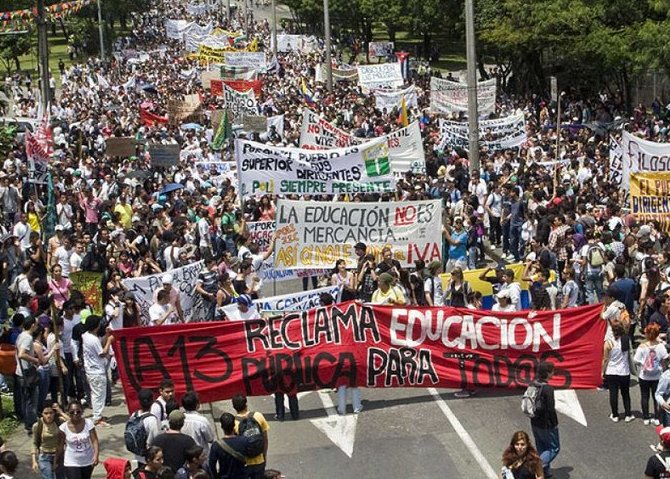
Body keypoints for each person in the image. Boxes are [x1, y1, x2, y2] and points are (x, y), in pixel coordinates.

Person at [81, 315, 114, 428]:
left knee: (96, 394)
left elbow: (99, 343)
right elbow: (102, 353)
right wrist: (109, 341)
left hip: (91, 370)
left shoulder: (86, 335)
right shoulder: (93, 339)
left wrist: (106, 335)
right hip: (96, 371)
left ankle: (97, 415)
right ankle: (97, 417)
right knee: (99, 395)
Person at [530, 362, 559, 478]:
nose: (553, 373)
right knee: (554, 448)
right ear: (547, 373)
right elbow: (551, 409)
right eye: (552, 371)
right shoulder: (548, 389)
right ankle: (535, 467)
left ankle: (545, 472)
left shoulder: (533, 384)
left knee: (541, 447)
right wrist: (554, 424)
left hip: (534, 421)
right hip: (546, 424)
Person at [57, 399, 99, 479]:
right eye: (72, 412)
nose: (75, 414)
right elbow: (60, 446)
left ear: (82, 411)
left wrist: (96, 455)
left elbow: (94, 440)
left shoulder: (88, 423)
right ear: (68, 413)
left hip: (87, 460)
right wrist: (56, 460)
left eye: (78, 411)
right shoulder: (63, 428)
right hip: (71, 461)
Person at [635, 323, 668, 426]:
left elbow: (636, 360)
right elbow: (665, 358)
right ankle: (657, 417)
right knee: (656, 396)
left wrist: (643, 364)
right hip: (657, 375)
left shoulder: (642, 346)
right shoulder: (661, 346)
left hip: (644, 376)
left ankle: (646, 417)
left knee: (644, 396)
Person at [602, 319, 634, 423]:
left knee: (613, 393)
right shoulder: (626, 340)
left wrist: (603, 371)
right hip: (624, 371)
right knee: (625, 393)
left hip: (611, 371)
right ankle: (628, 414)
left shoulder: (608, 342)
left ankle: (615, 415)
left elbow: (605, 359)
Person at [232, 393, 269, 479]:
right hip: (259, 460)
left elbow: (234, 446)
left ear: (234, 407)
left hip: (244, 463)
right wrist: (264, 456)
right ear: (246, 404)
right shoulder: (258, 416)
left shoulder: (233, 423)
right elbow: (265, 439)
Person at [15, 315, 40, 434]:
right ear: (32, 325)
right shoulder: (27, 338)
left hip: (21, 372)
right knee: (31, 399)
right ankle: (31, 424)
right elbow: (21, 354)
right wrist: (35, 360)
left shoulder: (21, 335)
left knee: (26, 399)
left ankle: (28, 423)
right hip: (26, 373)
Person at [32, 404, 68, 479]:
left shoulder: (59, 421)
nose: (49, 416)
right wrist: (34, 461)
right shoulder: (37, 425)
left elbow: (72, 422)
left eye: (51, 413)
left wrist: (60, 412)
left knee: (61, 477)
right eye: (46, 413)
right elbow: (34, 443)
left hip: (59, 455)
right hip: (44, 456)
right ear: (42, 414)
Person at [208, 413, 248, 479]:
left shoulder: (216, 445)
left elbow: (212, 465)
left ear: (222, 427)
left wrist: (216, 477)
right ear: (234, 425)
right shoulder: (244, 441)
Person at [129, 389, 161, 464]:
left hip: (138, 455)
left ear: (139, 402)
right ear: (152, 401)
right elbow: (156, 439)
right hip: (149, 458)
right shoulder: (152, 419)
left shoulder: (134, 415)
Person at [181, 391, 215, 456]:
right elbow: (210, 439)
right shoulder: (202, 421)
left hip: (186, 455)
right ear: (197, 405)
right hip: (201, 456)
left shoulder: (181, 419)